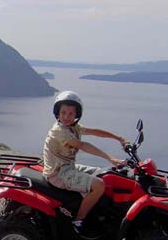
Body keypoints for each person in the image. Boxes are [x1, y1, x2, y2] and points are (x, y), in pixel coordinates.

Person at [42, 91, 127, 232]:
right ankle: (77, 221)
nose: (66, 117)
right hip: (57, 174)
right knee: (99, 185)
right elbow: (82, 145)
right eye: (63, 113)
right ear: (57, 112)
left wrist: (118, 138)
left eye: (70, 114)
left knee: (105, 173)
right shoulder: (59, 131)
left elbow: (94, 132)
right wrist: (110, 158)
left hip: (68, 167)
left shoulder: (74, 127)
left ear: (76, 115)